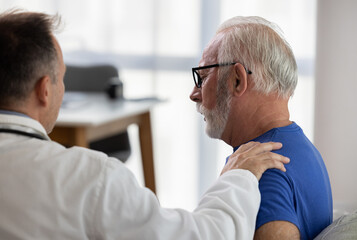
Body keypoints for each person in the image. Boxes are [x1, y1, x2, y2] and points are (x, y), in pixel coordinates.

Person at [0, 10, 290, 239]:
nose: (193, 94)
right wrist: (238, 177)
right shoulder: (87, 178)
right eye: (62, 78)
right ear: (45, 90)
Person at [190, 16, 333, 239]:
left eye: (203, 77)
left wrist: (235, 180)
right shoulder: (302, 149)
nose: (194, 94)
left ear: (237, 79)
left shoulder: (259, 172)